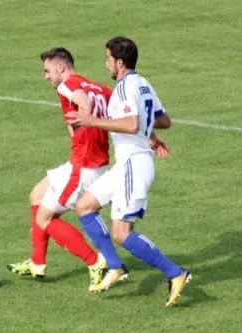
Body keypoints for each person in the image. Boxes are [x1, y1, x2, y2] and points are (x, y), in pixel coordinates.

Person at [67, 36, 191, 307]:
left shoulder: (124, 88)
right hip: (127, 163)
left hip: (134, 165)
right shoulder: (142, 83)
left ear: (120, 62)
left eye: (108, 59)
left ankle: (175, 272)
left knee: (122, 233)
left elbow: (133, 123)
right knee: (85, 205)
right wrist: (152, 135)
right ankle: (115, 266)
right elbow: (163, 119)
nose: (106, 64)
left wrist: (91, 121)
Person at [6, 47, 118, 291]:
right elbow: (116, 105)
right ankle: (37, 262)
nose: (46, 76)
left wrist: (84, 121)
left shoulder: (66, 85)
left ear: (61, 67)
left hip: (83, 166)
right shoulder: (96, 86)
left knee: (44, 218)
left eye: (47, 70)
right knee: (36, 194)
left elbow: (84, 103)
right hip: (89, 161)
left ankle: (95, 261)